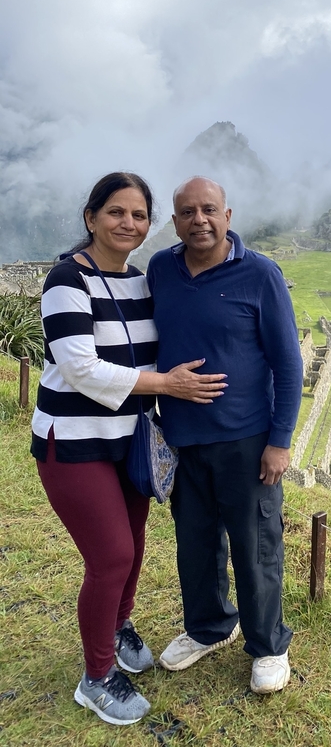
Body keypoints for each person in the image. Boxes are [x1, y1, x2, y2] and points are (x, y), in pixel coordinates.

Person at [31, 172, 227, 727]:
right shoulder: (67, 280)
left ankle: (117, 627)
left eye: (139, 215)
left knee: (134, 547)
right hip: (73, 445)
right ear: (91, 217)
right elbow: (80, 367)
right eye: (116, 212)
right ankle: (95, 678)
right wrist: (167, 385)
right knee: (111, 555)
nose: (128, 224)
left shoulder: (140, 282)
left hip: (129, 441)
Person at [147, 177, 303, 695]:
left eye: (208, 210)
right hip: (183, 438)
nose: (199, 220)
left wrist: (280, 441)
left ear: (228, 215)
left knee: (256, 545)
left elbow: (287, 361)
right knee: (194, 543)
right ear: (175, 222)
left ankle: (268, 645)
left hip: (247, 440)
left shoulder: (259, 274)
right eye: (188, 212)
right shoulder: (161, 269)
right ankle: (208, 626)